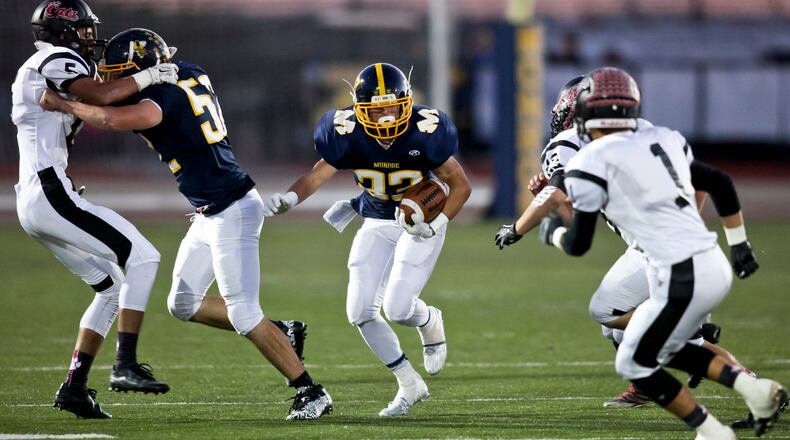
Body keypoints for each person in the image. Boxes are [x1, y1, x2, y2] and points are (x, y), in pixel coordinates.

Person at [39, 28, 332, 421]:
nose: (112, 79)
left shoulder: (158, 101)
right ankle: (282, 331)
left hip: (232, 209)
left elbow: (108, 116)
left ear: (140, 68)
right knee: (182, 303)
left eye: (119, 71)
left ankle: (310, 391)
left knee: (244, 313)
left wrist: (63, 103)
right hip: (211, 209)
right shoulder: (188, 71)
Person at [538, 67, 786, 439]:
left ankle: (713, 431)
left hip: (674, 265)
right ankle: (754, 390)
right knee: (638, 334)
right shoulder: (662, 138)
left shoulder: (589, 159)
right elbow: (717, 182)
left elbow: (578, 243)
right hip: (705, 259)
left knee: (635, 358)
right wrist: (739, 246)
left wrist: (554, 231)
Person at [261, 63, 471, 416]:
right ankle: (408, 382)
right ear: (360, 110)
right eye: (377, 109)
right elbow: (316, 176)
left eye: (392, 106)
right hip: (375, 219)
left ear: (406, 102)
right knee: (359, 312)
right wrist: (292, 198)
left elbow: (461, 185)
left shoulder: (425, 131)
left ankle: (428, 319)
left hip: (421, 223)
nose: (387, 117)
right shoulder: (344, 132)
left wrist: (437, 225)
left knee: (399, 309)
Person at [14, 0, 178, 419]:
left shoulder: (46, 64)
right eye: (84, 30)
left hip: (40, 196)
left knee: (109, 287)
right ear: (63, 29)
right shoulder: (55, 58)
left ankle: (74, 388)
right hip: (50, 194)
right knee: (143, 255)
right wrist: (149, 75)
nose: (90, 38)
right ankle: (124, 365)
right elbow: (103, 96)